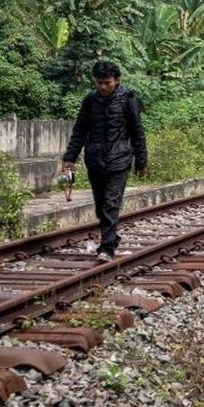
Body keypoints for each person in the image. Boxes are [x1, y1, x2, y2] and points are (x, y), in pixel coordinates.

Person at [61, 60, 148, 262]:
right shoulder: (90, 100)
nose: (102, 87)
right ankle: (112, 237)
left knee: (111, 203)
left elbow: (137, 132)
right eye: (99, 82)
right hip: (95, 159)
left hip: (120, 159)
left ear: (116, 81)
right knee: (100, 205)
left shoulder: (128, 99)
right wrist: (69, 158)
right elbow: (80, 130)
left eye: (107, 82)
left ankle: (106, 249)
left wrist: (141, 161)